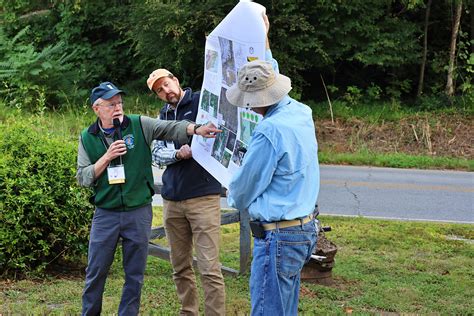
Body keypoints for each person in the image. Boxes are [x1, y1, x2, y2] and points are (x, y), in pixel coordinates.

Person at [76, 81, 219, 316]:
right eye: (111, 104)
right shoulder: (87, 137)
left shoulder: (139, 124)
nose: (118, 107)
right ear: (96, 109)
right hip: (106, 214)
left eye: (119, 102)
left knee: (134, 275)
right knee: (95, 272)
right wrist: (107, 157)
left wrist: (197, 129)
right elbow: (83, 177)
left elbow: (171, 127)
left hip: (138, 212)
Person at [226, 59, 320, 315]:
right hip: (303, 227)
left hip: (278, 236)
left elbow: (243, 190)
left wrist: (231, 192)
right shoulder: (301, 112)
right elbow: (268, 65)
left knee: (269, 310)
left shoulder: (269, 130)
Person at [146, 68, 225, 315]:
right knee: (179, 266)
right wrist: (178, 154)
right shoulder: (163, 116)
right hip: (172, 198)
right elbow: (157, 155)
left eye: (167, 84)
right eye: (159, 90)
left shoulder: (202, 101)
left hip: (203, 196)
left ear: (176, 81)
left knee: (209, 267)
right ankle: (188, 311)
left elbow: (224, 127)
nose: (165, 91)